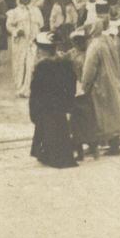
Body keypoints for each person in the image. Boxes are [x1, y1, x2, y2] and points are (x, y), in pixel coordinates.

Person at [28, 34, 79, 169]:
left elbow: (35, 91)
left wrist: (33, 109)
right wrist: (68, 103)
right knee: (61, 131)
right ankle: (61, 155)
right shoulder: (65, 64)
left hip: (45, 107)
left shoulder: (41, 67)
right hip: (60, 107)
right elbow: (71, 86)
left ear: (42, 50)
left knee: (47, 131)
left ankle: (48, 155)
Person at [78, 21, 120, 156]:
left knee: (101, 115)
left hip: (100, 84)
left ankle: (102, 144)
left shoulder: (94, 46)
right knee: (113, 114)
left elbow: (89, 68)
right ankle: (114, 143)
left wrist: (85, 85)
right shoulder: (109, 41)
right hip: (113, 81)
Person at [5, 0, 43, 98]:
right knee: (20, 63)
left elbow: (40, 24)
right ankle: (19, 87)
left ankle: (29, 88)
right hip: (20, 42)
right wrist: (16, 31)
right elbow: (9, 26)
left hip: (32, 41)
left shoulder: (36, 11)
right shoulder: (15, 12)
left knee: (31, 64)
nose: (25, 0)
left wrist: (36, 35)